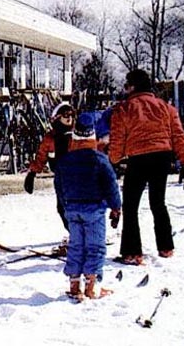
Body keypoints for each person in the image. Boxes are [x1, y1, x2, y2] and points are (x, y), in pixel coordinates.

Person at [109, 69, 184, 265]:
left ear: (134, 86)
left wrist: (114, 160)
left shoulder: (124, 108)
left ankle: (132, 252)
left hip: (138, 158)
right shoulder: (166, 107)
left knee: (130, 205)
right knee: (158, 202)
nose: (126, 89)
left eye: (127, 85)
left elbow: (117, 138)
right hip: (162, 157)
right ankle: (166, 247)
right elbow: (179, 136)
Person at [56, 112, 122, 300]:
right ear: (93, 136)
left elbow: (59, 187)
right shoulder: (100, 160)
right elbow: (111, 186)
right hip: (94, 210)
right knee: (95, 247)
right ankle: (92, 287)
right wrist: (116, 207)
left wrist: (65, 205)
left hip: (73, 210)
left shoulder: (65, 161)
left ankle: (74, 285)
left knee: (76, 246)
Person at [23, 102, 75, 231]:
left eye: (72, 115)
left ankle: (79, 235)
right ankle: (74, 234)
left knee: (76, 206)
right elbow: (41, 157)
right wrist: (32, 173)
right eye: (66, 115)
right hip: (60, 177)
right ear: (57, 117)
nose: (69, 118)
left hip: (77, 176)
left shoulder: (77, 135)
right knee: (62, 208)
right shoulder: (51, 138)